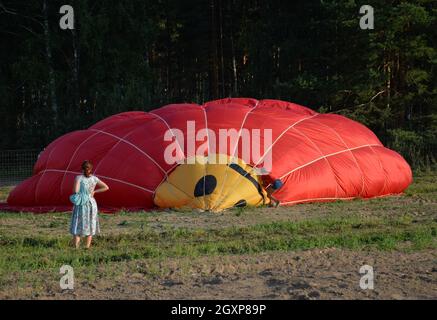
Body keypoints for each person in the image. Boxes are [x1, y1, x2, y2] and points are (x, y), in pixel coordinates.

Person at [70, 160, 109, 249]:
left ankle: (76, 247)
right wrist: (94, 191)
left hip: (82, 203)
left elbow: (75, 191)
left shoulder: (78, 178)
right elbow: (106, 187)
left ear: (82, 169)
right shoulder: (94, 179)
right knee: (90, 223)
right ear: (91, 169)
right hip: (91, 203)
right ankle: (87, 247)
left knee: (78, 224)